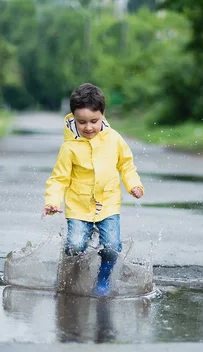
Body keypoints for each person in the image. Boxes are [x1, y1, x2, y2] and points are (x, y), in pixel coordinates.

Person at [42, 83, 144, 296]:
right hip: (79, 206)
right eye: (82, 122)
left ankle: (103, 281)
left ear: (103, 115)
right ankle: (68, 270)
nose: (88, 127)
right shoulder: (69, 148)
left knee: (111, 246)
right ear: (74, 118)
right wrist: (52, 202)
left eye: (94, 121)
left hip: (108, 203)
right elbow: (59, 178)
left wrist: (133, 184)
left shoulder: (114, 139)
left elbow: (125, 164)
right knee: (76, 244)